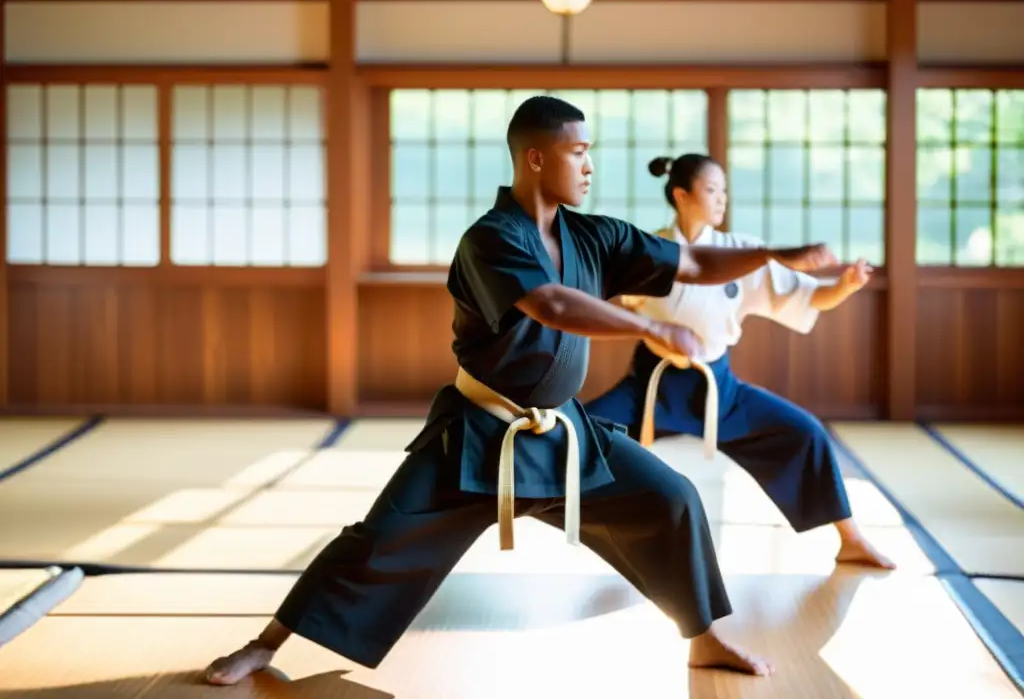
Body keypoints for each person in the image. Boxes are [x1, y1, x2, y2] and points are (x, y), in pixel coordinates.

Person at [204, 97, 840, 687]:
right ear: (535, 157)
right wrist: (650, 325)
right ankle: (266, 643)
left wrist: (777, 254)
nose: (590, 165)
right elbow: (553, 303)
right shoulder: (491, 238)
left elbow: (695, 264)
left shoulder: (596, 236)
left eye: (590, 151)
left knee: (671, 500)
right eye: (578, 151)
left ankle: (703, 637)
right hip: (480, 434)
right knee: (380, 539)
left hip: (567, 435)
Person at [584, 153, 895, 570]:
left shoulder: (742, 254)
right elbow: (620, 304)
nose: (722, 199)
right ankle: (603, 535)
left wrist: (846, 285)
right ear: (681, 195)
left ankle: (851, 538)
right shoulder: (650, 248)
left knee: (804, 433)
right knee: (581, 437)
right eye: (712, 190)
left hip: (718, 389)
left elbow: (808, 296)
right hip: (649, 386)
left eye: (724, 190)